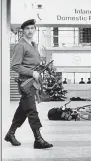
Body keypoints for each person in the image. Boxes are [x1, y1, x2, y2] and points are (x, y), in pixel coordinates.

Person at [5, 19, 53, 149]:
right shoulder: (21, 45)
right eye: (27, 28)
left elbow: (33, 62)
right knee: (32, 110)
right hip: (26, 83)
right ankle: (38, 139)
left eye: (32, 28)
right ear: (22, 31)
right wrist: (32, 73)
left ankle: (10, 133)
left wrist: (40, 68)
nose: (30, 31)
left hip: (33, 83)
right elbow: (14, 66)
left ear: (35, 30)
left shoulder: (32, 44)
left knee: (23, 109)